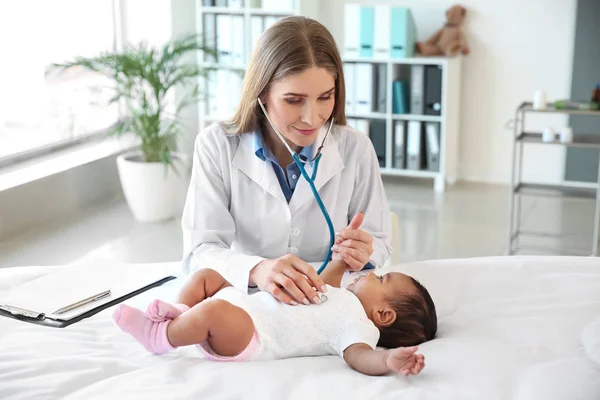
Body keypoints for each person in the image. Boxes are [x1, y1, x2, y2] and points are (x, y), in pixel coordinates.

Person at [181, 15, 393, 306]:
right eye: (294, 100)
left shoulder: (356, 148)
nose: (312, 117)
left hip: (329, 303)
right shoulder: (216, 146)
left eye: (325, 97)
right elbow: (200, 250)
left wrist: (363, 251)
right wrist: (257, 269)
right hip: (249, 302)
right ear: (262, 93)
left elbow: (379, 242)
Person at [112, 251, 437, 376]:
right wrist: (340, 258)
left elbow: (359, 357)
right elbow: (324, 283)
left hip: (251, 336)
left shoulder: (360, 326)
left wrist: (387, 360)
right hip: (246, 303)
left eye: (380, 279)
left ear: (383, 315)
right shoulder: (340, 297)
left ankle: (160, 336)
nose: (369, 274)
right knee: (207, 276)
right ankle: (179, 314)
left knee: (213, 312)